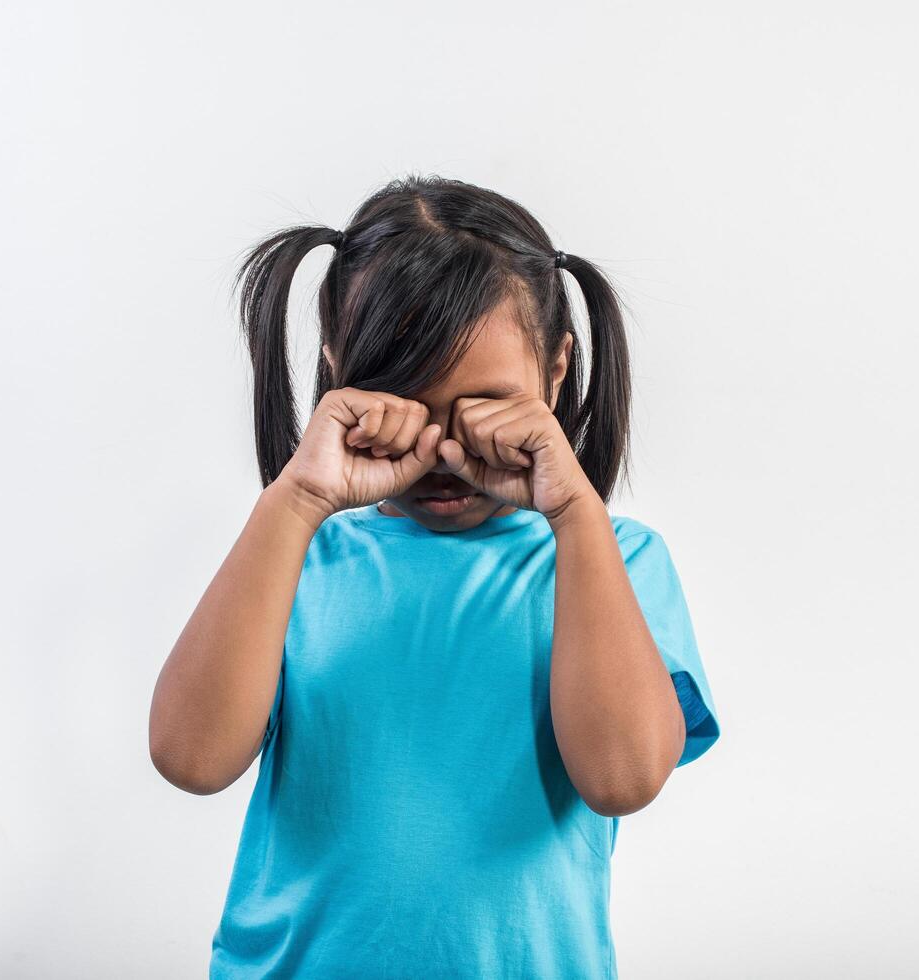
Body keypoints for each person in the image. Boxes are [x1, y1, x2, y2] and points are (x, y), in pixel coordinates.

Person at [149, 174, 722, 978]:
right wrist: (297, 500)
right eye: (401, 402)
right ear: (337, 370)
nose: (448, 449)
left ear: (556, 371)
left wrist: (575, 513)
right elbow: (190, 759)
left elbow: (623, 778)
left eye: (487, 405)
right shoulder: (296, 557)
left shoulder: (613, 560)